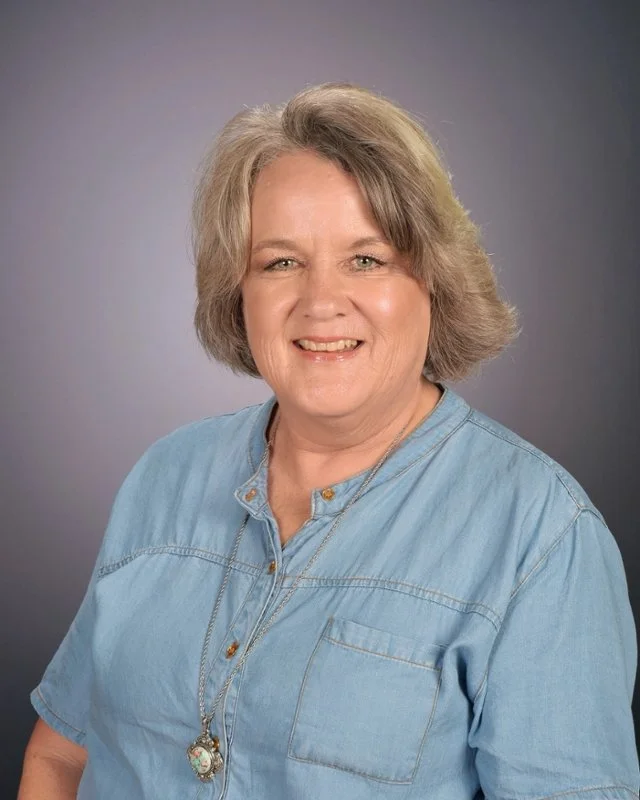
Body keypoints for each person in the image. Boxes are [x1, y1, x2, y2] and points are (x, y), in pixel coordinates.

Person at [19, 82, 639, 799]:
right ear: (238, 291)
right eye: (280, 261)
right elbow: (59, 756)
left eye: (366, 260)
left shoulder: (539, 538)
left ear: (434, 280)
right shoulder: (165, 478)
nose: (319, 302)